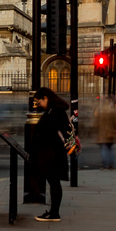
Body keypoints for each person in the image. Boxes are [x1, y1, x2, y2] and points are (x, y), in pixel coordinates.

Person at [32, 87, 72, 222]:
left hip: (53, 154)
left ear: (46, 98)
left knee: (54, 182)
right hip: (52, 153)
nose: (39, 105)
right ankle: (53, 212)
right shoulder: (53, 110)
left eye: (39, 102)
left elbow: (49, 131)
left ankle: (54, 213)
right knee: (53, 182)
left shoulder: (55, 111)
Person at [94, 99, 116, 170]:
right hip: (110, 133)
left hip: (102, 133)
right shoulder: (112, 111)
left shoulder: (100, 111)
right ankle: (111, 165)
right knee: (110, 149)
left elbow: (95, 122)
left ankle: (104, 165)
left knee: (104, 148)